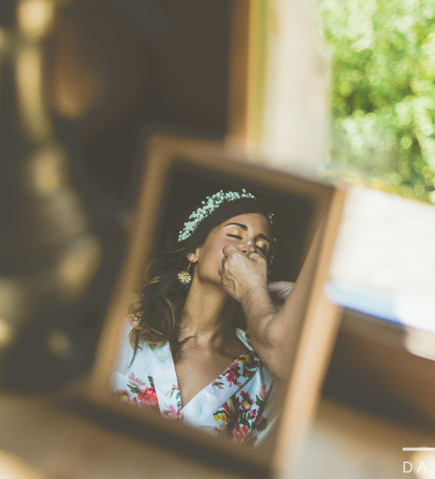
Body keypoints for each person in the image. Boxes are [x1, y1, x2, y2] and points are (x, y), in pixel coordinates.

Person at [112, 189, 315, 444]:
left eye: (261, 248)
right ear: (194, 251)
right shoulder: (126, 328)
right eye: (234, 235)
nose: (248, 249)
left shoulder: (263, 378)